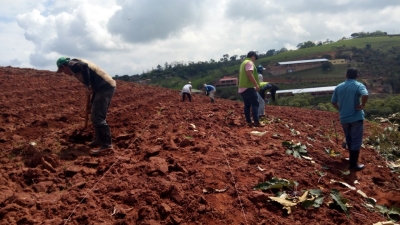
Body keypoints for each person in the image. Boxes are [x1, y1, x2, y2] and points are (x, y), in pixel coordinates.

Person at [56, 57, 116, 155]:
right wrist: (92, 102)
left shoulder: (72, 64)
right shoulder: (75, 64)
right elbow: (94, 86)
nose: (65, 73)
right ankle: (98, 140)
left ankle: (107, 146)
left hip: (104, 87)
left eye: (62, 71)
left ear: (63, 66)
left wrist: (86, 86)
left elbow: (84, 66)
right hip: (101, 88)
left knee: (97, 117)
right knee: (96, 115)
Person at [331, 68, 368, 171]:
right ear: (357, 76)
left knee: (349, 138)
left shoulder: (339, 87)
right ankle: (353, 165)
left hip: (344, 118)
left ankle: (351, 159)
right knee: (356, 140)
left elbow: (333, 102)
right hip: (356, 117)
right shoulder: (359, 85)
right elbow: (365, 94)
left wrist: (341, 109)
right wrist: (362, 105)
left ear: (346, 75)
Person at [238, 51, 264, 127]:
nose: (254, 60)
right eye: (255, 58)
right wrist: (256, 85)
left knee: (247, 105)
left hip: (242, 88)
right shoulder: (249, 63)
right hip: (248, 87)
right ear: (253, 56)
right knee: (255, 104)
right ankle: (256, 121)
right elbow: (249, 74)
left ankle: (249, 121)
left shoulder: (243, 63)